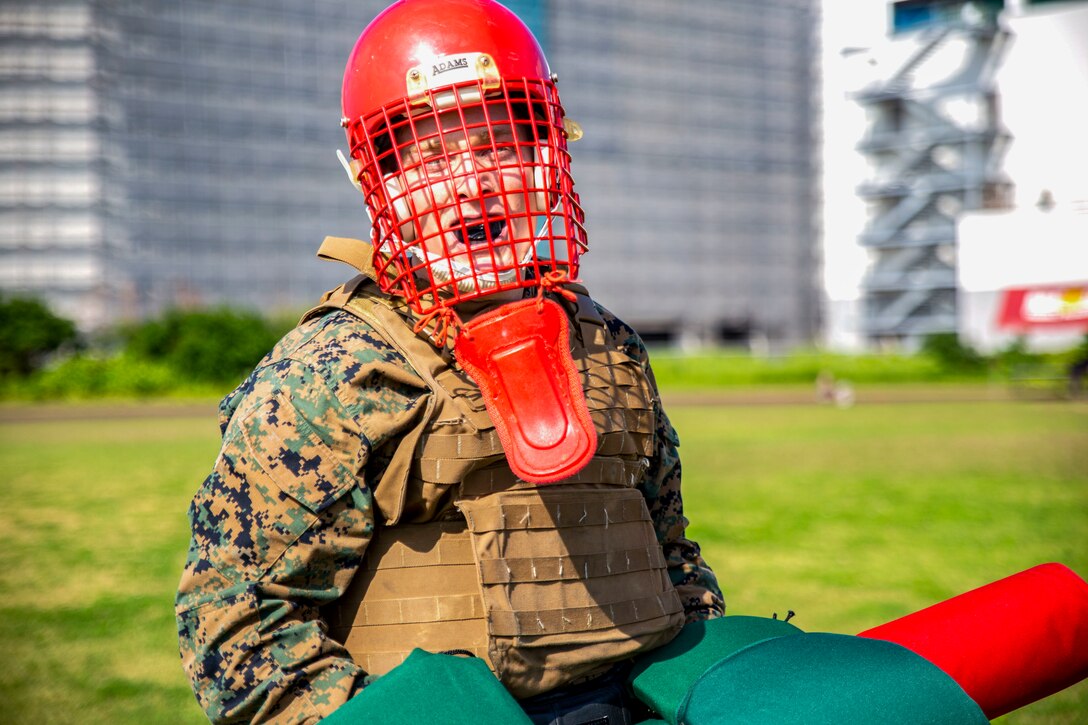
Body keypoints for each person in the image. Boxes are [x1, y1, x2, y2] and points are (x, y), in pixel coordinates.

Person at [175, 1, 723, 722]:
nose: (473, 182)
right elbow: (237, 624)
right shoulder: (333, 371)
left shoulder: (609, 348)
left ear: (547, 153)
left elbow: (671, 554)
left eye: (502, 144)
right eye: (430, 157)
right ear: (380, 186)